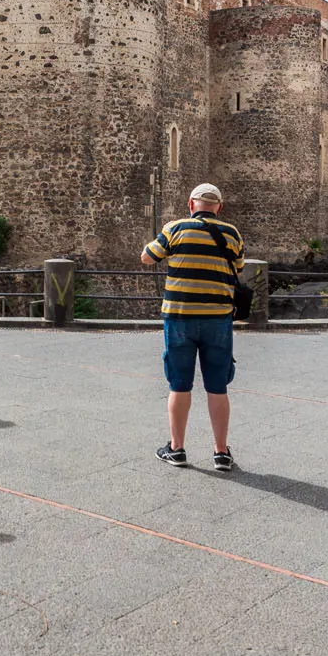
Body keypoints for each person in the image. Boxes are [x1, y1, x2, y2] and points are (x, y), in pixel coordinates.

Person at [141, 183, 243, 470]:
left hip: (180, 317)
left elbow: (147, 257)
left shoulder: (175, 229)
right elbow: (239, 266)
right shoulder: (231, 233)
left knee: (179, 385)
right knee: (217, 387)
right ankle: (221, 453)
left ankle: (176, 449)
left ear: (191, 204)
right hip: (218, 318)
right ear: (218, 207)